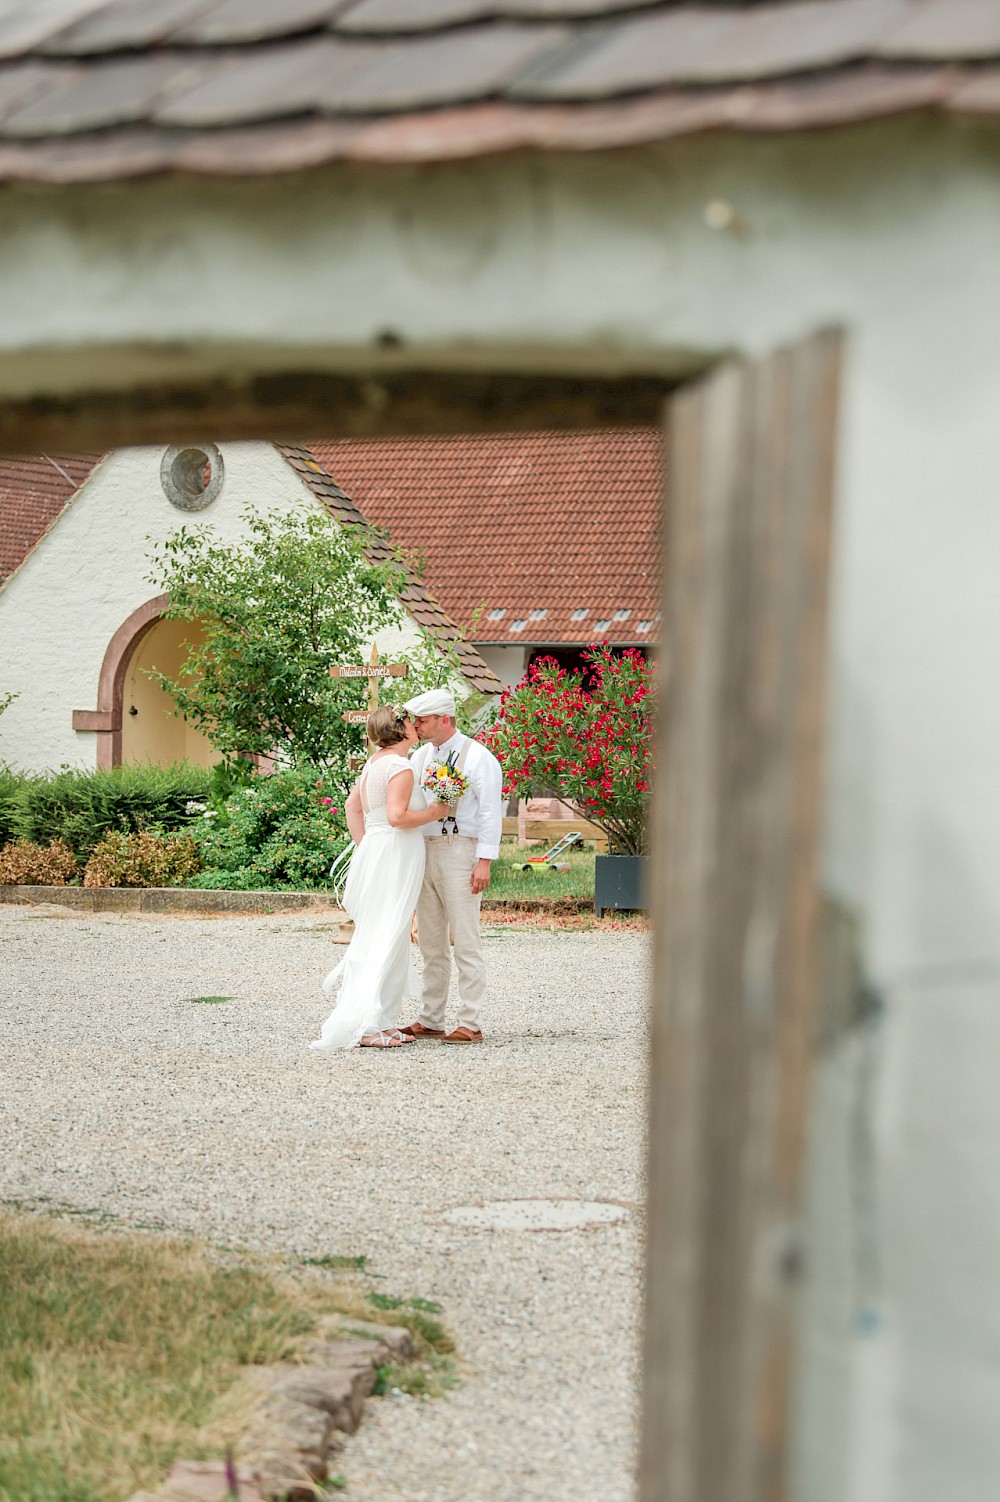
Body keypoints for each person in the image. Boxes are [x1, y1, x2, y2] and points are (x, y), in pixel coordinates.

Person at [309, 706, 447, 1051]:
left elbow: (351, 808)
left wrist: (367, 844)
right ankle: (369, 1024)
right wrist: (434, 812)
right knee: (387, 933)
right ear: (399, 730)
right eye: (409, 723)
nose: (415, 726)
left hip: (380, 851)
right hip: (396, 854)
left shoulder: (373, 765)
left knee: (389, 932)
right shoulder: (400, 766)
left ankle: (383, 1020)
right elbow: (397, 817)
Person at [400, 688, 503, 1045]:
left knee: (466, 939)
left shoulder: (479, 757)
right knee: (430, 941)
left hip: (461, 850)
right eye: (416, 720)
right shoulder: (421, 756)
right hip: (425, 849)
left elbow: (490, 812)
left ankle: (470, 1021)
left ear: (445, 719)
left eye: (423, 721)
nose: (417, 726)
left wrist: (484, 861)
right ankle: (430, 1018)